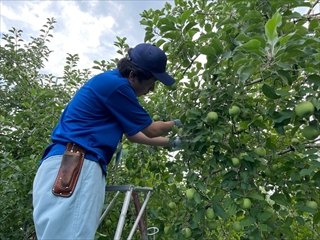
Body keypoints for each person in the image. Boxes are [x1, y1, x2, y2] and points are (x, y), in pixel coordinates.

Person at [32, 43, 183, 239]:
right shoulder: (118, 87)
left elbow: (133, 134)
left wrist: (172, 143)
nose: (152, 89)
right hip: (77, 165)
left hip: (65, 163)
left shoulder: (110, 84)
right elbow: (151, 130)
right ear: (132, 76)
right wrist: (180, 122)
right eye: (151, 82)